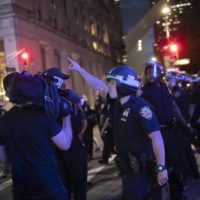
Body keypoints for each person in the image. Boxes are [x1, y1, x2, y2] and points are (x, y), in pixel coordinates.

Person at [67, 57, 168, 199]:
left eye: (112, 82)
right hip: (127, 170)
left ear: (124, 85)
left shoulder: (140, 106)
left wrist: (161, 167)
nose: (108, 86)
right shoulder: (117, 104)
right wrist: (80, 70)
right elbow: (98, 86)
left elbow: (156, 137)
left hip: (142, 171)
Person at [0, 73, 73, 200]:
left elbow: (4, 158)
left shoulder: (3, 121)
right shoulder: (44, 116)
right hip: (50, 188)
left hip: (21, 191)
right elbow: (65, 144)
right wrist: (67, 117)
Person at [141, 61, 189, 200]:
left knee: (175, 164)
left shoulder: (164, 86)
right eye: (149, 71)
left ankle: (177, 195)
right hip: (156, 133)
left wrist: (184, 123)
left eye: (154, 70)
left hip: (170, 132)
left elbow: (173, 106)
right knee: (159, 167)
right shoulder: (144, 91)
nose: (152, 74)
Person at [44, 68, 88, 200]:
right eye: (62, 80)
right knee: (77, 186)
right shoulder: (58, 100)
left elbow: (81, 119)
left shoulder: (49, 99)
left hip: (58, 149)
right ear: (56, 81)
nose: (65, 83)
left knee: (65, 186)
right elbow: (78, 123)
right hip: (69, 148)